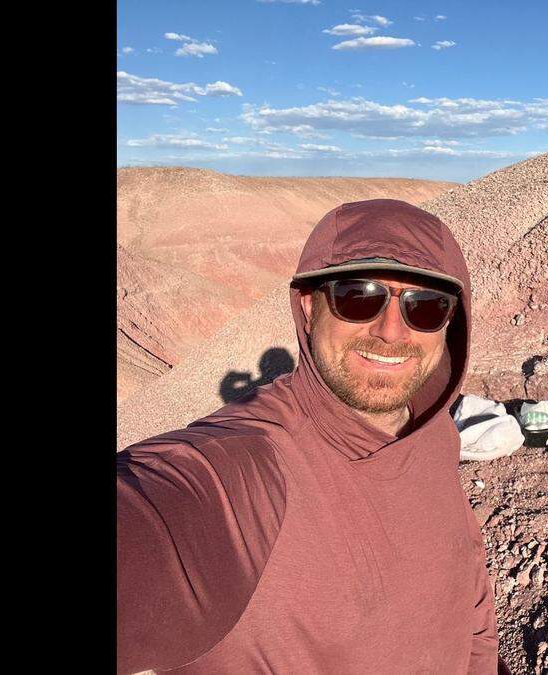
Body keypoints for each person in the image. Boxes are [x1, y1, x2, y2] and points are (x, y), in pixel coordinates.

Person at [117, 199, 506, 673]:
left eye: (424, 307)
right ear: (308, 307)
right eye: (358, 297)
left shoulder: (433, 429)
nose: (391, 331)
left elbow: (465, 575)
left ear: (450, 322)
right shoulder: (241, 469)